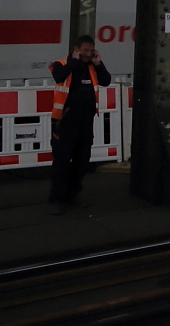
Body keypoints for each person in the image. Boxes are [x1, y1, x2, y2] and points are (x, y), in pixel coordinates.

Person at [48, 35, 111, 214]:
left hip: (85, 121)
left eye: (91, 50)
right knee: (61, 161)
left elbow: (106, 80)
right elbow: (59, 76)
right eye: (85, 50)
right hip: (65, 121)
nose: (88, 54)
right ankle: (57, 199)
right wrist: (74, 62)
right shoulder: (61, 64)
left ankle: (72, 196)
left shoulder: (92, 66)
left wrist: (98, 63)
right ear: (76, 50)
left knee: (81, 160)